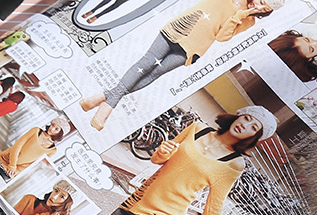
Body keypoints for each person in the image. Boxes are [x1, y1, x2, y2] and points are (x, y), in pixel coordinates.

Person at [57, 106, 277, 215]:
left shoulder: (233, 164)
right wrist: (162, 152)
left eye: (253, 127)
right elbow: (158, 160)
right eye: (246, 118)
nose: (245, 125)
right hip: (141, 197)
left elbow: (215, 203)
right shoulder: (197, 128)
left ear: (254, 137)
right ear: (238, 116)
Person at [81, 0, 282, 130]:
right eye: (261, 0)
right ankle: (108, 107)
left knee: (154, 74)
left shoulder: (248, 21)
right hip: (178, 29)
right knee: (146, 63)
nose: (259, 4)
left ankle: (102, 98)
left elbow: (222, 37)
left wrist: (241, 15)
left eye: (264, 6)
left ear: (267, 11)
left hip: (193, 48)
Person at [0, 117, 68, 177]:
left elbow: (31, 164)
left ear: (60, 134)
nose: (52, 129)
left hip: (12, 171)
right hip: (4, 159)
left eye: (56, 129)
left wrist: (16, 171)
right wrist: (12, 165)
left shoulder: (52, 150)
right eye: (53, 125)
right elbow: (17, 146)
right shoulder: (36, 130)